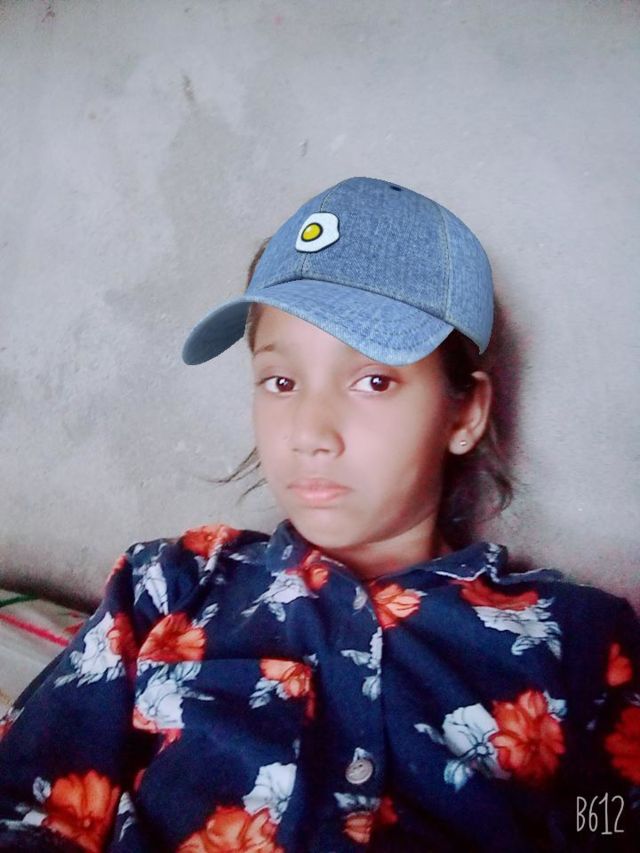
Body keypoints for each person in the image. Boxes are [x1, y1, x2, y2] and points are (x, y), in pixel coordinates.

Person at [0, 177, 638, 852]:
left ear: (465, 413)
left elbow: (611, 825)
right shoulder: (167, 588)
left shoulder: (579, 642)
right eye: (281, 381)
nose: (310, 432)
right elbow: (29, 808)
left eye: (373, 381)